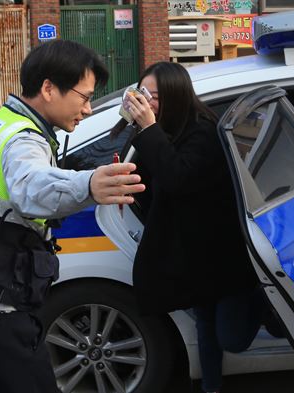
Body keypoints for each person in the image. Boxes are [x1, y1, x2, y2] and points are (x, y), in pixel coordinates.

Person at [0, 40, 145, 393]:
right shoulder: (23, 140)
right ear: (49, 88)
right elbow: (31, 187)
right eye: (84, 96)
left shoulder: (5, 122)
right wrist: (89, 185)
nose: (89, 109)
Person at [112, 62, 263, 393]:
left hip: (224, 257)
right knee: (205, 326)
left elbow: (178, 177)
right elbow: (154, 179)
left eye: (152, 95)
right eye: (141, 93)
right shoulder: (163, 129)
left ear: (175, 95)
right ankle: (210, 387)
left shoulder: (203, 132)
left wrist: (148, 129)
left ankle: (268, 304)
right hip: (191, 255)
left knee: (232, 338)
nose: (145, 102)